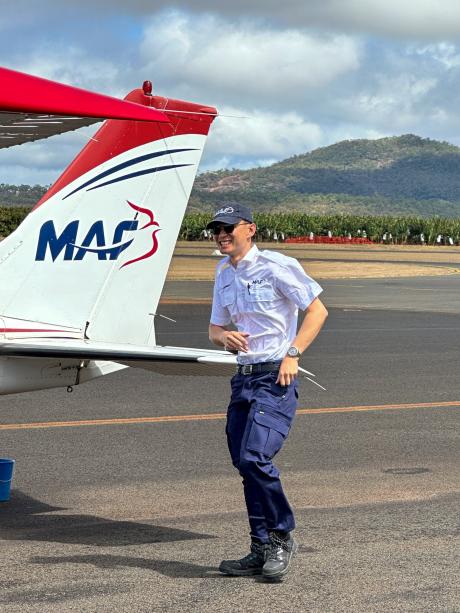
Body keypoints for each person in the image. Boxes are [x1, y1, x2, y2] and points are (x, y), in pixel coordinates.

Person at [207, 204, 328, 580]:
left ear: (250, 229)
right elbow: (214, 328)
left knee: (256, 457)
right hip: (243, 377)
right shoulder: (222, 273)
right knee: (244, 465)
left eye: (228, 228)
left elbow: (318, 311)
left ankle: (281, 536)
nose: (221, 235)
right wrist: (224, 337)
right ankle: (259, 547)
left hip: (276, 378)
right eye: (216, 229)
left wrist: (293, 353)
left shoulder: (277, 266)